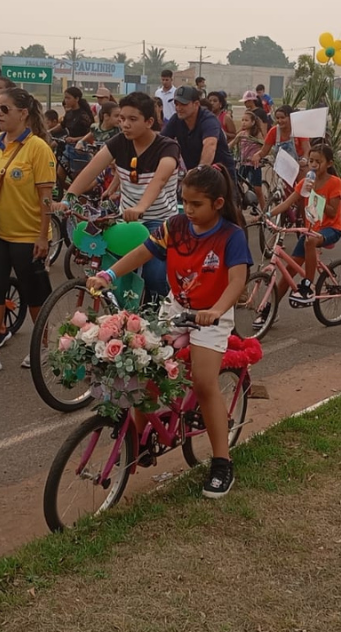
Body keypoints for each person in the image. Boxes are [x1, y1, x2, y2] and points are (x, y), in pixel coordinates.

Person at [86, 164, 250, 498]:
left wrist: (217, 310)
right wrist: (108, 275)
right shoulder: (174, 226)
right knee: (142, 368)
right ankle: (140, 442)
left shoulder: (231, 236)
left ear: (218, 203)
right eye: (184, 201)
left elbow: (237, 281)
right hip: (176, 309)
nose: (188, 209)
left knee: (203, 382)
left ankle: (222, 462)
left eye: (196, 204)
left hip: (211, 314)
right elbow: (141, 253)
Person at [0, 87, 56, 374]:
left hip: (28, 234)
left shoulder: (38, 148)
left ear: (23, 113)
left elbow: (46, 198)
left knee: (35, 294)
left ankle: (44, 346)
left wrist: (43, 236)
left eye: (5, 109)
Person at [58, 93, 177, 302]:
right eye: (122, 118)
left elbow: (159, 181)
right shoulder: (119, 142)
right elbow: (91, 169)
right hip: (126, 220)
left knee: (154, 276)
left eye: (132, 119)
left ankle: (161, 312)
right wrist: (68, 198)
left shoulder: (167, 147)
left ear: (149, 122)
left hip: (159, 221)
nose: (125, 124)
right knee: (113, 272)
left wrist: (141, 207)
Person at [267, 143, 341, 306]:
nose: (314, 165)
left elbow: (332, 212)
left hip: (331, 229)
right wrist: (267, 215)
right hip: (311, 230)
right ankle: (270, 310)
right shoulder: (304, 183)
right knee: (289, 271)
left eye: (318, 161)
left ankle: (308, 286)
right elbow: (287, 203)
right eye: (311, 161)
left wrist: (314, 192)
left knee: (310, 241)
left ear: (329, 163)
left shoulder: (335, 182)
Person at [162, 86, 236, 172]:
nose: (178, 108)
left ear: (196, 104)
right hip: (193, 172)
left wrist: (199, 170)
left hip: (221, 174)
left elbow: (210, 145)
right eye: (176, 104)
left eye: (183, 104)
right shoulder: (176, 120)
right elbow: (161, 142)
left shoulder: (209, 120)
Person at [258, 105, 311, 189]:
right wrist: (257, 156)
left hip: (299, 165)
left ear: (290, 117)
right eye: (277, 118)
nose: (280, 121)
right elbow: (264, 151)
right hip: (284, 167)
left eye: (283, 118)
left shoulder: (298, 129)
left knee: (302, 189)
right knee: (285, 190)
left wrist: (304, 160)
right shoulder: (274, 131)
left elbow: (307, 149)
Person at [230, 109, 266, 212]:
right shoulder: (241, 134)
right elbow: (231, 145)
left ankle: (264, 212)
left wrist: (258, 155)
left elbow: (264, 147)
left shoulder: (257, 134)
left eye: (246, 120)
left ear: (253, 122)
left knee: (257, 189)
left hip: (254, 165)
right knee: (238, 187)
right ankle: (238, 209)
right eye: (242, 120)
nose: (243, 122)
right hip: (242, 164)